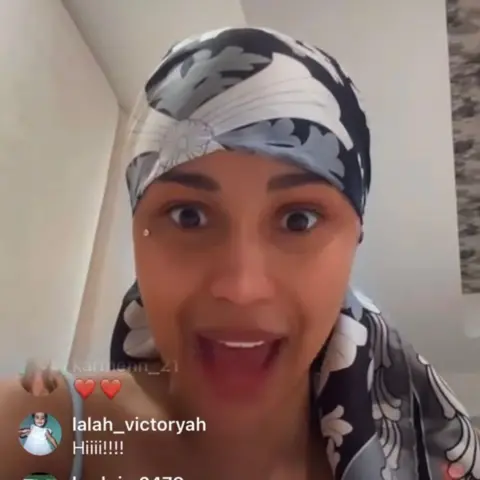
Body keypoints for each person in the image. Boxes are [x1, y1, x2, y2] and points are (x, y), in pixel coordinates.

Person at [0, 26, 478, 479]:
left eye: (299, 219)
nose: (242, 288)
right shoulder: (46, 434)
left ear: (356, 236)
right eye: (189, 215)